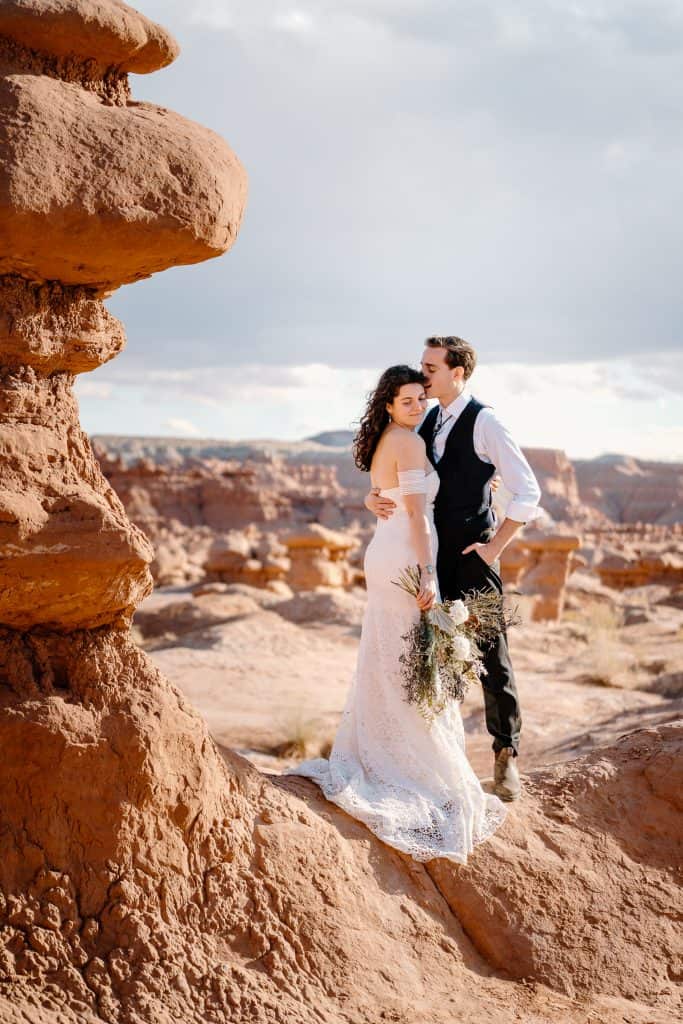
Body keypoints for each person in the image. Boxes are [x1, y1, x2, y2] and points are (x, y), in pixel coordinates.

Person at [284, 365, 507, 864]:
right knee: (411, 658)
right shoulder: (406, 443)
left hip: (386, 552)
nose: (416, 406)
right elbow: (415, 515)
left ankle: (386, 753)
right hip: (405, 554)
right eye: (406, 400)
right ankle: (408, 766)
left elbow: (388, 498)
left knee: (394, 656)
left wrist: (373, 501)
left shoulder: (392, 437)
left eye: (420, 398)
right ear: (388, 403)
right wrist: (428, 574)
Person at [365, 337, 542, 801]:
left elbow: (527, 492)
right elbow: (401, 475)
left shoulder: (486, 421)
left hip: (470, 556)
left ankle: (506, 756)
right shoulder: (421, 416)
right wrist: (371, 497)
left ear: (457, 372)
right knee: (432, 654)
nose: (423, 376)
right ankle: (438, 759)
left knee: (489, 653)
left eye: (431, 368)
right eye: (422, 367)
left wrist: (494, 547)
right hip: (425, 553)